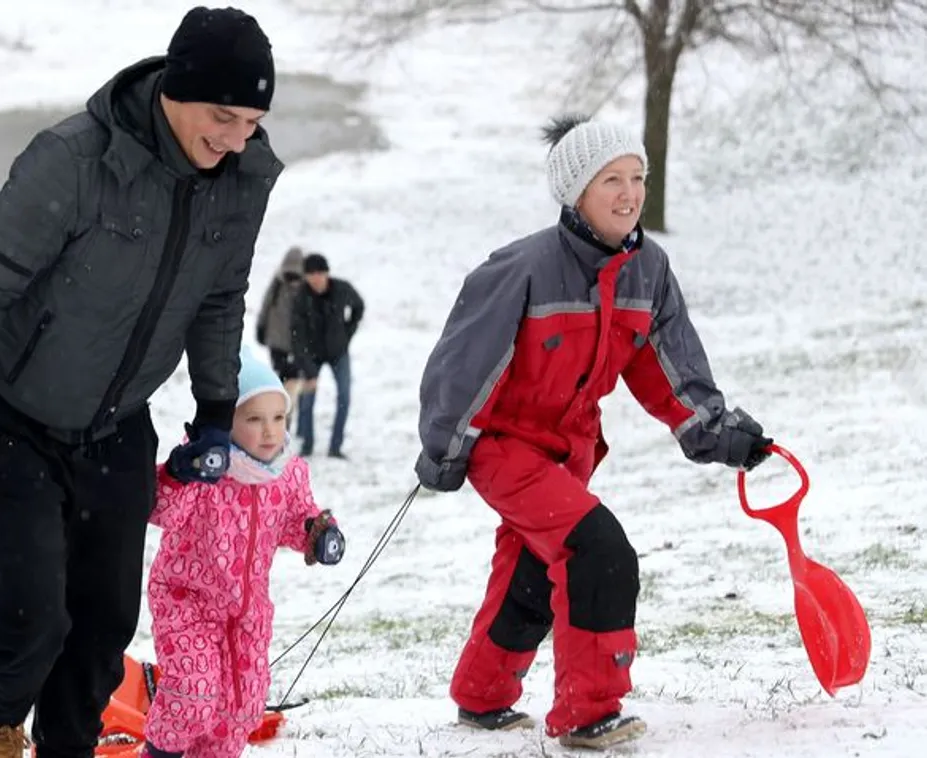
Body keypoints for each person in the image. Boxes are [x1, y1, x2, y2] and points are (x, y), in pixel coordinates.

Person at [0, 6, 283, 757]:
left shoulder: (242, 178)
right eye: (222, 115)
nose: (237, 138)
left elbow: (219, 293)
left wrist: (214, 408)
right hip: (14, 420)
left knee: (105, 623)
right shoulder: (74, 160)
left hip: (117, 423)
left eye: (252, 120)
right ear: (176, 89)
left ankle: (68, 747)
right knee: (30, 619)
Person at [413, 115, 774, 750]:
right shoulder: (520, 269)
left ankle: (483, 696)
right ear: (576, 190)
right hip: (504, 446)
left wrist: (718, 433)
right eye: (612, 180)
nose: (629, 193)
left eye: (637, 178)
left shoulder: (648, 270)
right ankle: (587, 714)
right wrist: (446, 449)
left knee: (533, 567)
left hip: (570, 451)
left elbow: (670, 367)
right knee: (599, 552)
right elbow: (465, 364)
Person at [142, 345, 345, 758]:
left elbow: (297, 516)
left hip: (247, 611)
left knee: (241, 708)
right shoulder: (205, 469)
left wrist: (317, 534)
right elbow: (160, 507)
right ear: (227, 422)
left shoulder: (286, 473)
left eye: (278, 418)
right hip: (187, 600)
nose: (270, 431)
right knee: (193, 694)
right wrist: (182, 471)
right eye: (254, 419)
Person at [289, 253, 364, 458]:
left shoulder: (342, 289)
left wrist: (347, 333)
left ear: (327, 273)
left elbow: (359, 306)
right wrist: (309, 370)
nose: (316, 278)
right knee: (307, 398)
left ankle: (335, 447)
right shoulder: (300, 297)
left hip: (338, 352)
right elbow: (297, 336)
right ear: (305, 276)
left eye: (320, 273)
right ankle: (307, 445)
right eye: (311, 274)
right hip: (311, 353)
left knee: (344, 397)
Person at [254, 245, 307, 391]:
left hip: (298, 342)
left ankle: (286, 409)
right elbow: (266, 305)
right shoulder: (277, 283)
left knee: (293, 378)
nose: (292, 279)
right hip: (277, 339)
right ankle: (280, 407)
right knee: (280, 375)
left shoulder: (306, 288)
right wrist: (260, 326)